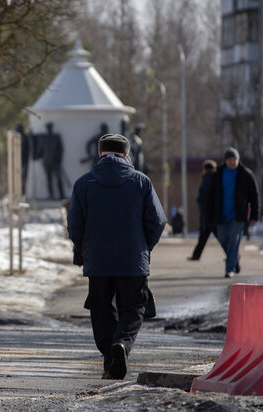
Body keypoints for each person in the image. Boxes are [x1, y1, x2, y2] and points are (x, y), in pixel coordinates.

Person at [67, 134, 166, 380]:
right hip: (133, 260)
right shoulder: (142, 182)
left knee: (101, 309)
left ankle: (110, 356)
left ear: (100, 153)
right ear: (126, 154)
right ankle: (121, 344)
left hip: (98, 261)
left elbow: (75, 226)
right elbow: (157, 221)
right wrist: (145, 247)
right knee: (133, 307)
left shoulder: (84, 183)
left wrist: (83, 250)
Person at [205, 147, 259, 278]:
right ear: (225, 161)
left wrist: (254, 215)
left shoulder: (246, 174)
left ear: (238, 160)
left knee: (234, 241)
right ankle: (234, 258)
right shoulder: (218, 174)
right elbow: (210, 195)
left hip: (238, 215)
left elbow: (254, 195)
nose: (232, 162)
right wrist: (208, 215)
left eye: (234, 159)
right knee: (223, 239)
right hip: (221, 214)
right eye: (229, 159)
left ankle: (229, 268)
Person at [188, 160, 217, 260]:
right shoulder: (214, 179)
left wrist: (199, 199)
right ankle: (196, 255)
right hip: (212, 214)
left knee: (207, 236)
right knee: (204, 237)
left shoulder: (208, 180)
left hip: (208, 214)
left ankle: (233, 257)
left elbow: (204, 196)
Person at [41, 122, 66, 199]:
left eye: (50, 128)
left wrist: (59, 160)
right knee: (49, 180)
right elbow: (41, 149)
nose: (49, 129)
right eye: (48, 128)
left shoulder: (56, 137)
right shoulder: (44, 138)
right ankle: (51, 195)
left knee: (59, 178)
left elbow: (61, 149)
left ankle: (62, 195)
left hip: (55, 162)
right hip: (47, 162)